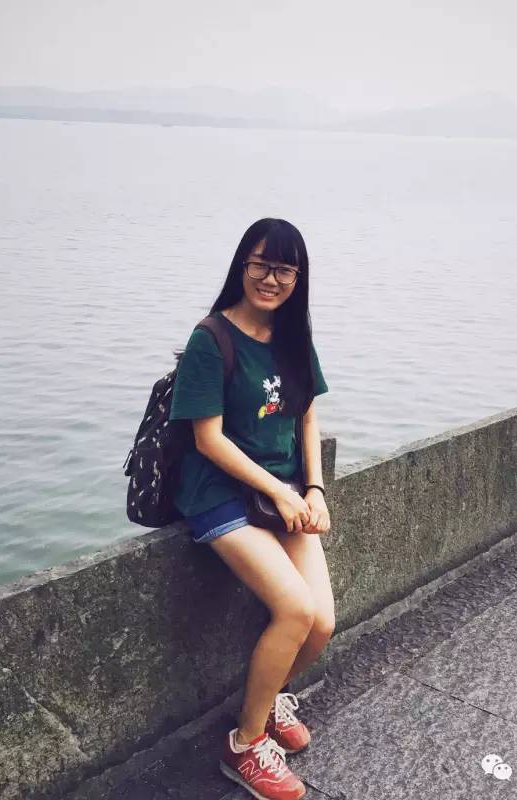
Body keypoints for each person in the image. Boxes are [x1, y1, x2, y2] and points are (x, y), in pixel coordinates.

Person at [169, 218, 335, 800]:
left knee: (322, 624)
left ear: (299, 277)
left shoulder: (293, 337)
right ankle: (244, 743)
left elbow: (307, 415)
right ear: (243, 265)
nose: (271, 278)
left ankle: (266, 701)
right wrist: (283, 492)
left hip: (281, 492)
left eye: (285, 269)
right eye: (261, 264)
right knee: (294, 609)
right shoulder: (210, 339)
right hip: (219, 494)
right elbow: (207, 440)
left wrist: (313, 489)